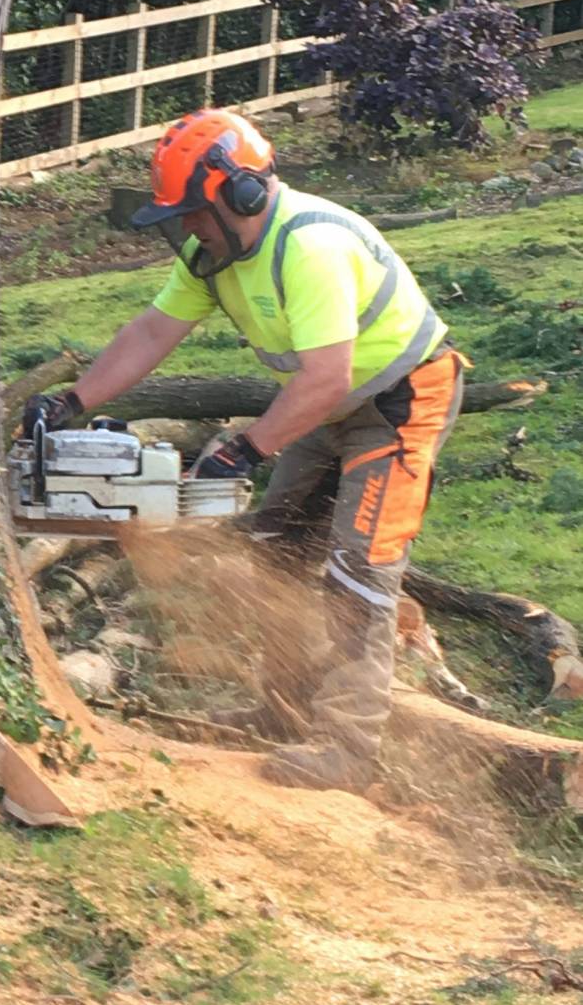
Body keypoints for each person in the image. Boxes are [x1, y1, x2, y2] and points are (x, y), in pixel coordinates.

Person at [23, 108, 463, 793]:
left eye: (197, 211)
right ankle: (283, 709)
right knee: (275, 550)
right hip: (326, 402)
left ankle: (349, 749)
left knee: (360, 569)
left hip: (401, 403)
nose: (190, 227)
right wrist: (73, 401)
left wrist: (246, 449)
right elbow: (150, 333)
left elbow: (328, 377)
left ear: (243, 192)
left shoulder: (310, 246)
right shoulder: (215, 256)